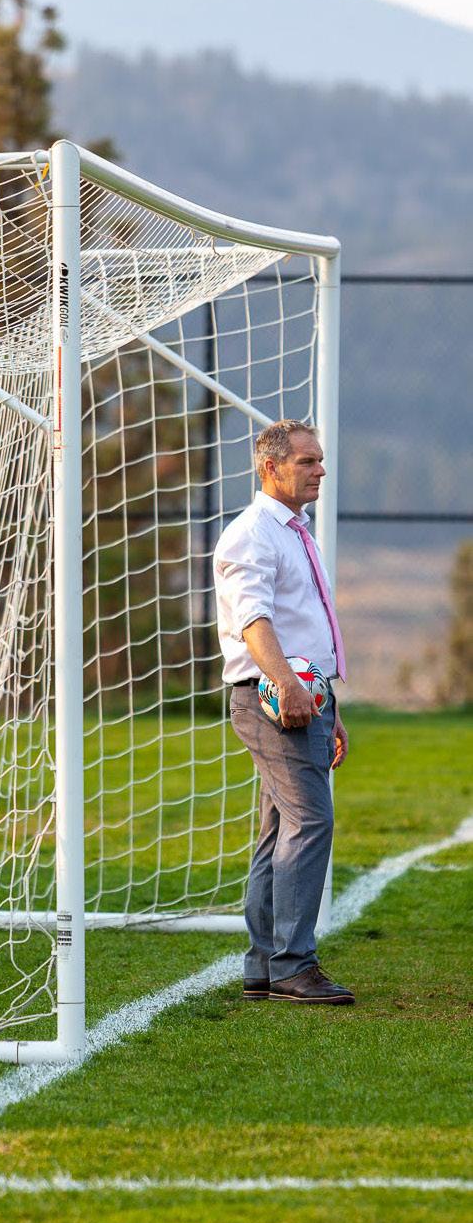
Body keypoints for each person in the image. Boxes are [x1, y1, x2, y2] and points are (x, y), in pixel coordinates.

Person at [213, 419, 355, 1005]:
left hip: (303, 697)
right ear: (270, 467)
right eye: (307, 461)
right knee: (310, 823)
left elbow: (305, 627)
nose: (320, 470)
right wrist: (288, 686)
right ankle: (294, 966)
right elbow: (255, 622)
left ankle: (263, 965)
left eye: (319, 460)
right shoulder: (252, 534)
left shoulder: (297, 530)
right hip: (273, 700)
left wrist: (328, 704)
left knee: (280, 831)